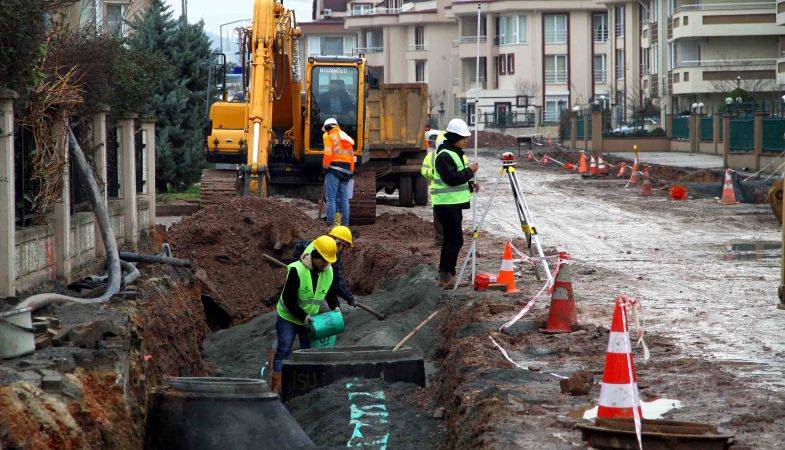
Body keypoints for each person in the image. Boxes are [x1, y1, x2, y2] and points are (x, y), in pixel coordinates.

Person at [270, 235, 339, 393]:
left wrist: (335, 306)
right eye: (323, 260)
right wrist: (303, 317)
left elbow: (330, 292)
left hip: (309, 320)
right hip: (288, 317)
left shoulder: (328, 271)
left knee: (308, 353)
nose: (326, 264)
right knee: (284, 350)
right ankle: (276, 390)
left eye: (328, 261)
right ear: (315, 256)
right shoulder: (297, 269)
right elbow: (288, 299)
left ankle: (306, 389)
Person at [432, 118, 478, 288]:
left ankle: (446, 273)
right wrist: (470, 172)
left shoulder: (455, 152)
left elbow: (458, 178)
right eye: (463, 137)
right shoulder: (444, 155)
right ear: (454, 137)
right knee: (455, 240)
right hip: (446, 206)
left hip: (453, 204)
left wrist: (470, 185)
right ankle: (446, 274)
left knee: (451, 240)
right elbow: (451, 179)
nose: (467, 140)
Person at [292, 225, 356, 307]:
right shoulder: (334, 259)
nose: (343, 249)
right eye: (344, 246)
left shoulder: (314, 244)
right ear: (339, 243)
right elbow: (337, 283)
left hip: (314, 284)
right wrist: (349, 298)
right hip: (306, 288)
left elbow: (331, 284)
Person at [322, 118, 355, 226]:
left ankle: (330, 224)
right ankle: (345, 224)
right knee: (344, 198)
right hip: (346, 171)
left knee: (331, 198)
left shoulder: (328, 136)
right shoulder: (345, 136)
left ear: (327, 128)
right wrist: (351, 171)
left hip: (334, 169)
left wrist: (325, 166)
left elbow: (327, 154)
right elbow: (351, 157)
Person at [421, 127, 446, 246]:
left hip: (454, 196)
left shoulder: (458, 156)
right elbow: (424, 171)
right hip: (438, 194)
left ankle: (450, 240)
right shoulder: (430, 157)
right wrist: (434, 172)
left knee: (452, 221)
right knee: (439, 220)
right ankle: (440, 240)